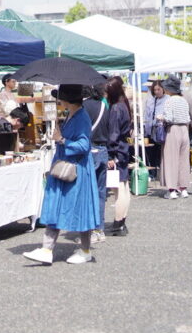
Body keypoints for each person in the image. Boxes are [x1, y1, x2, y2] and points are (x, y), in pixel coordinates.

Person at [23, 85, 100, 265]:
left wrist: (62, 140)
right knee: (56, 205)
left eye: (61, 98)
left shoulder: (81, 117)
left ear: (67, 100)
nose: (59, 101)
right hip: (66, 166)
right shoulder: (72, 115)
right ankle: (47, 249)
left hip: (76, 169)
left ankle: (84, 250)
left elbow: (84, 146)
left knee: (80, 208)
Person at [82, 83, 109, 244]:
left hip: (89, 149)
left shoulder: (84, 107)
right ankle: (99, 229)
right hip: (103, 149)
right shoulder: (104, 106)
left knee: (87, 192)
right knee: (100, 192)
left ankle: (90, 230)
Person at [105, 76, 132, 236]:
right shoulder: (124, 104)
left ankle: (118, 222)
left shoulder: (115, 108)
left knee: (118, 188)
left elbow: (113, 135)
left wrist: (110, 155)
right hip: (124, 149)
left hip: (117, 151)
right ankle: (122, 222)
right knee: (124, 186)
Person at [158, 75, 192, 199]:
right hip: (184, 130)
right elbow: (188, 117)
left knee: (171, 160)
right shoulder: (184, 100)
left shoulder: (169, 101)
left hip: (173, 130)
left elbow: (169, 118)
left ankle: (172, 190)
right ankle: (183, 189)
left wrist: (160, 117)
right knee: (184, 160)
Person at [143, 80, 168, 180]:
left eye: (159, 89)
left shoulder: (167, 99)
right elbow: (146, 115)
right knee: (151, 152)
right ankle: (152, 173)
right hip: (150, 130)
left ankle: (162, 173)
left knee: (161, 152)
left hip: (161, 130)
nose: (157, 92)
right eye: (155, 90)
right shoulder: (150, 100)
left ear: (163, 89)